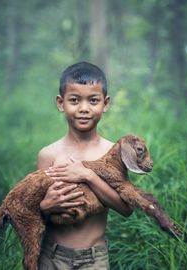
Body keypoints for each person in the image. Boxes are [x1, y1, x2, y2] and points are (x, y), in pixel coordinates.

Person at [37, 62, 132, 269]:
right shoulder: (48, 154)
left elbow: (126, 208)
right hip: (50, 256)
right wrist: (45, 207)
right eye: (74, 100)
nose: (83, 108)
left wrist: (88, 176)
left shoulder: (113, 154)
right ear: (61, 103)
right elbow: (34, 213)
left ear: (105, 104)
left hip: (94, 260)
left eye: (93, 100)